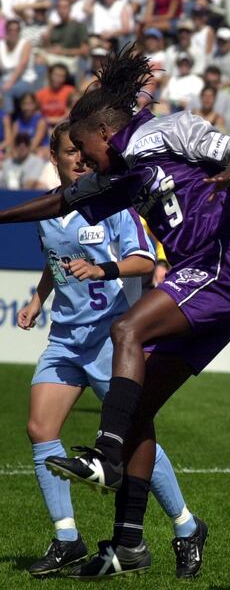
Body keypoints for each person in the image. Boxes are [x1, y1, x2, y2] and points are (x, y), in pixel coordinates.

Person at [0, 45, 230, 578]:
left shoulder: (168, 131)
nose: (84, 159)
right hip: (200, 285)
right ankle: (130, 543)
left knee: (127, 327)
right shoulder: (122, 174)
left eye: (84, 148)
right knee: (139, 410)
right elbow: (61, 201)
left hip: (218, 268)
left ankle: (107, 453)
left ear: (101, 132)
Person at [18, 122, 204, 579]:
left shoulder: (111, 205)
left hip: (109, 341)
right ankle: (67, 539)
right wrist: (39, 298)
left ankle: (186, 525)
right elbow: (55, 262)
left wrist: (102, 269)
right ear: (54, 157)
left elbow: (145, 259)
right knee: (40, 428)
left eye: (83, 153)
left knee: (137, 435)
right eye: (69, 153)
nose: (79, 160)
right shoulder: (48, 210)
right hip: (65, 340)